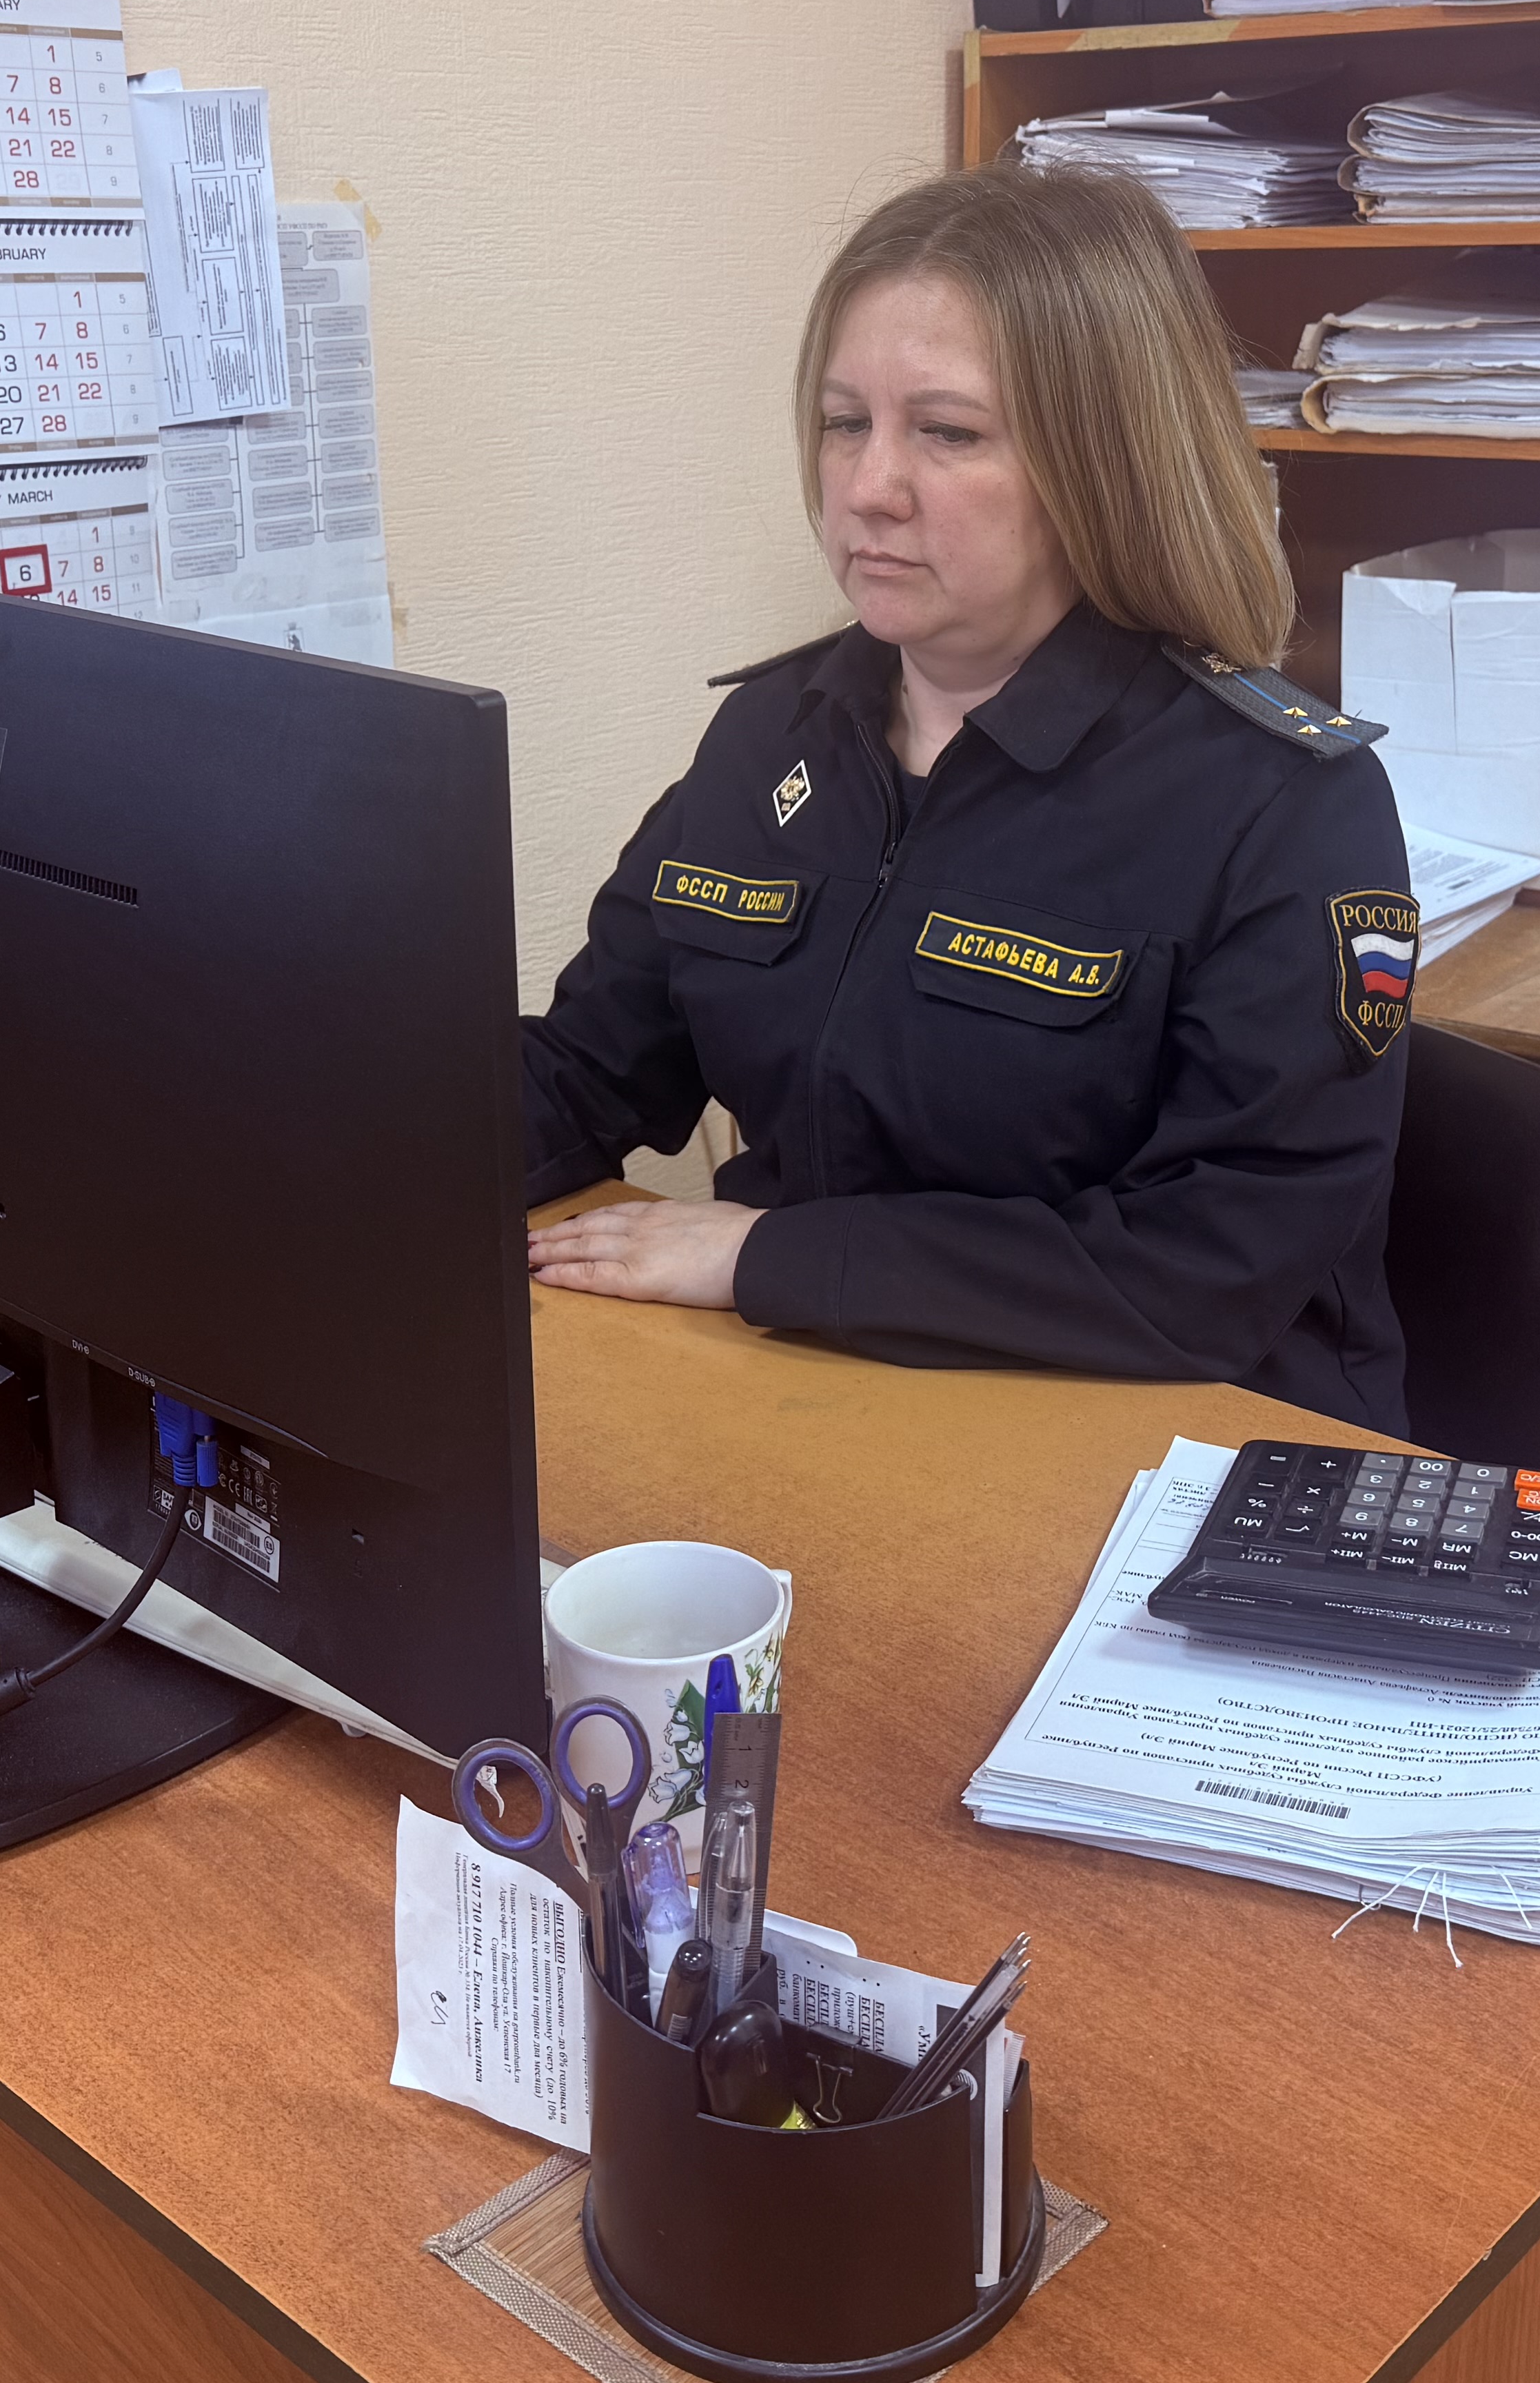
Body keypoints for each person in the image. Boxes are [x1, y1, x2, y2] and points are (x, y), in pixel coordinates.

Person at [520, 163, 1418, 1436]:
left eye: (946, 433)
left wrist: (772, 1258)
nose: (869, 487)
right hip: (830, 1387)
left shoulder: (1279, 802)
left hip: (1163, 1444)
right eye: (845, 423)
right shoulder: (775, 737)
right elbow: (587, 1072)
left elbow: (1208, 1269)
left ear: (1101, 464)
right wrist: (325, 1126)